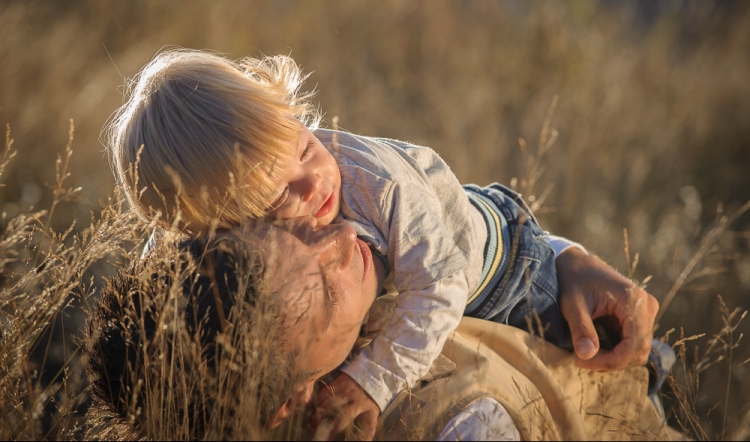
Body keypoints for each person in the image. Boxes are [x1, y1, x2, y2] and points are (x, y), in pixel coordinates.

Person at [107, 49, 659, 438]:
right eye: (278, 200)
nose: (316, 183)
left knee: (590, 355)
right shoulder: (221, 228)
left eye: (303, 147)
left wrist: (371, 380)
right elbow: (184, 276)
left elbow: (441, 285)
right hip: (431, 266)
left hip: (498, 266)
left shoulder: (376, 182)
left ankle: (655, 377)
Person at [83, 220, 671, 440]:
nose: (342, 238)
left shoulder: (336, 335)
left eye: (292, 232)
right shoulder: (454, 421)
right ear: (290, 404)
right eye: (325, 286)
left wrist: (558, 258)